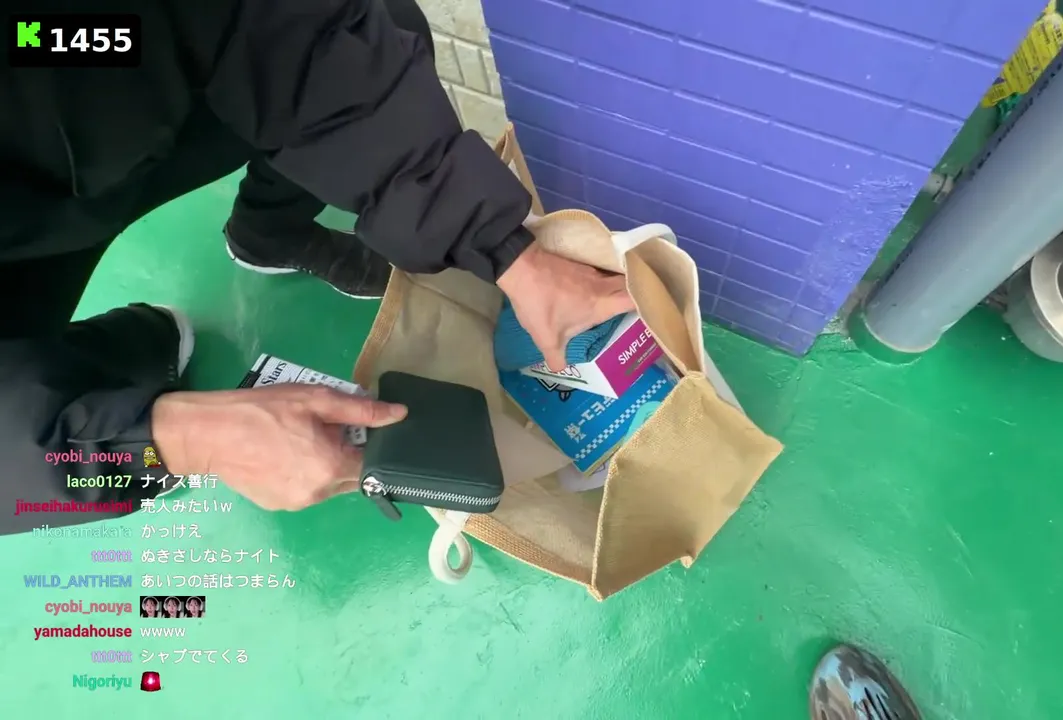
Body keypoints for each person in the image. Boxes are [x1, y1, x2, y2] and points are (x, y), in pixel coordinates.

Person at [0, 0, 634, 536]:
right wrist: (178, 439)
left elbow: (292, 35)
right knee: (69, 417)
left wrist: (504, 249)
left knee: (384, 22)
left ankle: (266, 234)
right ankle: (102, 411)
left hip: (89, 109)